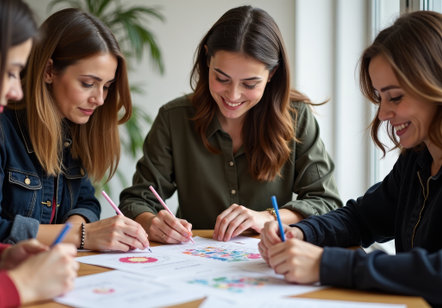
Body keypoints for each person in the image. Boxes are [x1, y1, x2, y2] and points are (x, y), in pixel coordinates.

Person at [258, 10, 442, 306]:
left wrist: (325, 265)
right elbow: (361, 217)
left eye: (395, 97)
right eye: (379, 97)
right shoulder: (417, 160)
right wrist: (301, 233)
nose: (382, 114)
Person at [120, 5, 342, 244]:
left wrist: (266, 218)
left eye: (249, 84)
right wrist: (151, 222)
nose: (233, 96)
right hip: (190, 261)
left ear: (272, 74)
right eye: (222, 78)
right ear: (207, 60)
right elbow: (138, 200)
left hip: (268, 262)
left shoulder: (296, 117)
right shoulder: (173, 118)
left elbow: (326, 202)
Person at [0, 7, 150, 252]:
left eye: (107, 86)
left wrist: (78, 228)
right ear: (48, 71)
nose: (99, 99)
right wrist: (79, 235)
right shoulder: (0, 129)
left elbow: (86, 201)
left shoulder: (74, 129)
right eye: (88, 83)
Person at [0, 1, 78, 306]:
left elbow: (87, 199)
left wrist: (1, 258)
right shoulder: (2, 130)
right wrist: (21, 283)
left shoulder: (73, 135)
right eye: (12, 72)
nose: (17, 91)